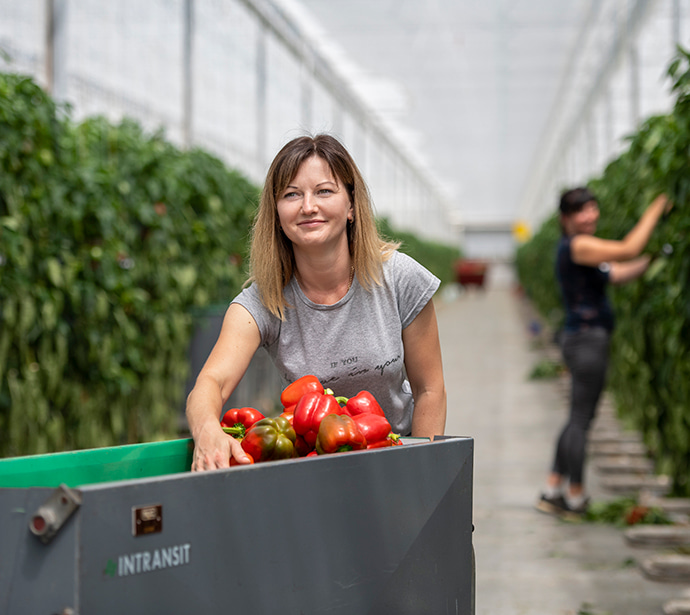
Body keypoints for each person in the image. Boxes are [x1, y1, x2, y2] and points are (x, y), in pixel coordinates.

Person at [186, 134, 447, 470]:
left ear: (351, 205)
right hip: (315, 468)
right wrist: (207, 430)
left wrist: (421, 471)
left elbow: (430, 390)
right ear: (277, 213)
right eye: (292, 194)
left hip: (395, 455)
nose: (308, 206)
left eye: (324, 191)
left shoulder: (399, 278)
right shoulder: (263, 302)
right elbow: (210, 383)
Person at [536, 186, 671, 518]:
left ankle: (554, 488)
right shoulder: (579, 245)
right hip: (587, 340)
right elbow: (627, 249)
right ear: (566, 219)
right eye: (582, 210)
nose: (591, 215)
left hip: (579, 338)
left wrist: (653, 258)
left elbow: (618, 272)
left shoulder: (580, 250)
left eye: (594, 208)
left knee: (576, 417)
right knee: (582, 419)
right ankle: (576, 496)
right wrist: (657, 207)